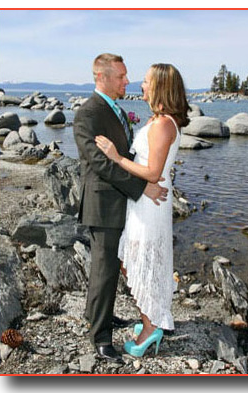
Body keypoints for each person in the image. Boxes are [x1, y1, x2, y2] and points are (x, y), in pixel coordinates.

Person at [73, 53, 168, 363]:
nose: (127, 81)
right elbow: (100, 164)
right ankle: (100, 339)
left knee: (108, 268)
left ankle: (97, 316)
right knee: (104, 270)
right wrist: (143, 188)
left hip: (118, 202)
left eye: (127, 76)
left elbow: (122, 153)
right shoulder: (88, 113)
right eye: (121, 76)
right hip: (103, 205)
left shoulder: (114, 109)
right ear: (102, 78)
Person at [95, 63, 190, 357]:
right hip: (145, 201)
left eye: (147, 82)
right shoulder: (160, 120)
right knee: (138, 259)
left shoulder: (163, 125)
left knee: (139, 259)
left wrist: (115, 157)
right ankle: (152, 318)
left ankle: (151, 328)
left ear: (161, 86)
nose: (142, 85)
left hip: (151, 204)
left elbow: (152, 172)